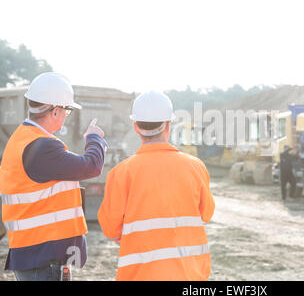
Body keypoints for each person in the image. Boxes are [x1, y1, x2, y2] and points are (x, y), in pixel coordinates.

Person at [0, 72, 107, 281]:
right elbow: (91, 166)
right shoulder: (42, 146)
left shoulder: (22, 138)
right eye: (68, 110)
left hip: (32, 251)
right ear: (56, 111)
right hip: (43, 255)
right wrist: (94, 139)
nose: (68, 115)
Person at [98, 91, 215, 281]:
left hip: (140, 275)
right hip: (189, 275)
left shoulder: (121, 172)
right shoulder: (196, 167)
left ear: (135, 127)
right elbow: (206, 213)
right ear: (169, 125)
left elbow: (111, 228)